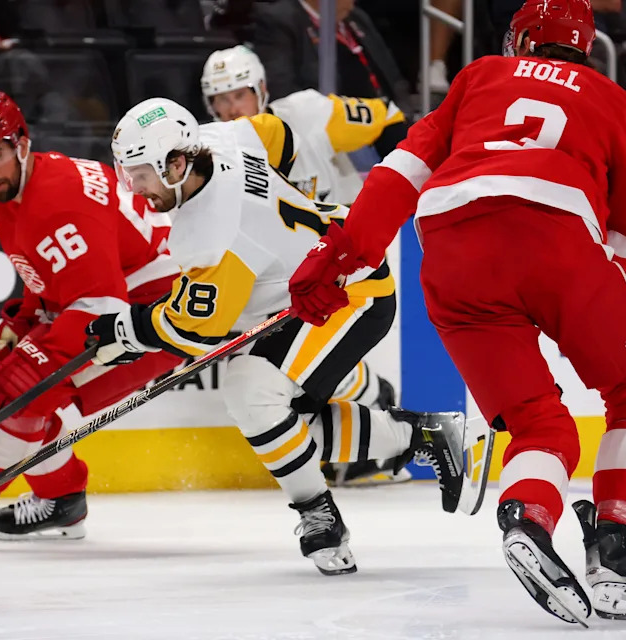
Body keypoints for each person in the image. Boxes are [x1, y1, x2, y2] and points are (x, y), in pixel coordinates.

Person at [287, 0, 626, 623]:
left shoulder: (478, 75)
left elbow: (397, 175)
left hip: (451, 250)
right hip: (558, 238)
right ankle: (615, 551)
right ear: (587, 47)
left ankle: (528, 516)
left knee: (539, 423)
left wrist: (341, 253)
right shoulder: (618, 103)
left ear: (520, 40)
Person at [85, 97, 494, 575]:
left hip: (348, 292)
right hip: (320, 278)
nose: (134, 188)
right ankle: (425, 436)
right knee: (279, 418)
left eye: (140, 174)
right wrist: (284, 222)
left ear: (176, 163)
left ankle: (325, 506)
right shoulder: (224, 137)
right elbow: (279, 136)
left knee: (250, 392)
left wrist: (127, 330)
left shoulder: (209, 232)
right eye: (126, 174)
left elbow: (195, 333)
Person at [0, 90, 183, 548]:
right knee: (26, 387)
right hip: (120, 296)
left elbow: (103, 306)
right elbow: (55, 271)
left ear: (20, 144)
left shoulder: (59, 201)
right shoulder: (11, 193)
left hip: (158, 311)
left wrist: (40, 355)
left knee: (30, 392)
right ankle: (62, 500)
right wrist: (29, 315)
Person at [201, 44, 409, 486]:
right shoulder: (214, 153)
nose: (229, 109)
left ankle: (379, 407)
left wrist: (403, 192)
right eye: (218, 101)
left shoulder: (309, 114)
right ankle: (376, 409)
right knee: (288, 375)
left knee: (298, 370)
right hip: (278, 275)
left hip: (338, 266)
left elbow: (387, 115)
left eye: (237, 95)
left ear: (261, 89)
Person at [252, 0, 412, 116]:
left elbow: (393, 76)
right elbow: (282, 92)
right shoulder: (281, 21)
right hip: (336, 131)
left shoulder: (356, 17)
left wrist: (403, 113)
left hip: (386, 119)